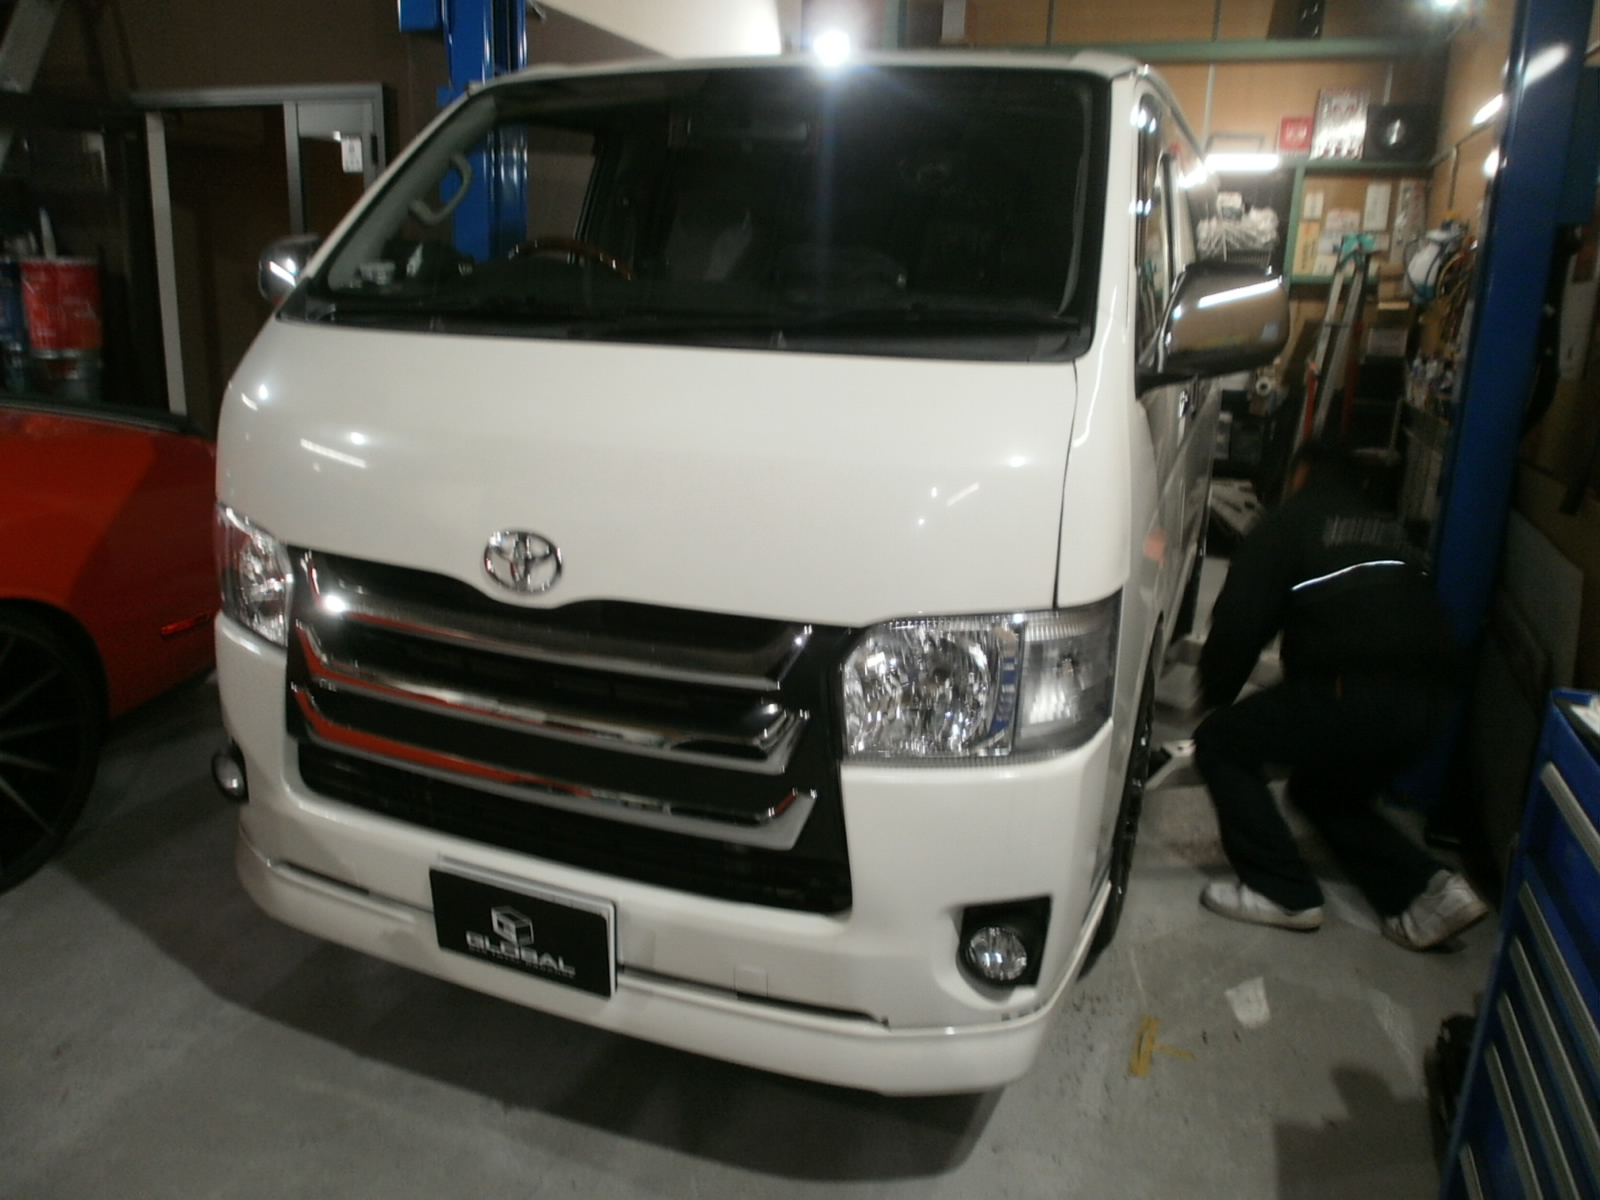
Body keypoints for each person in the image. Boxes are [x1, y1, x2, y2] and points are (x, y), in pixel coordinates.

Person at [1193, 439, 1488, 950]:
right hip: (1435, 705)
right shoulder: (1390, 531)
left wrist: (1216, 693)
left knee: (1221, 741)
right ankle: (1429, 891)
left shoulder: (1290, 521)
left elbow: (1240, 622)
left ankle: (1280, 889)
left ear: (1301, 473)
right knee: (1323, 790)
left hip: (1357, 693)